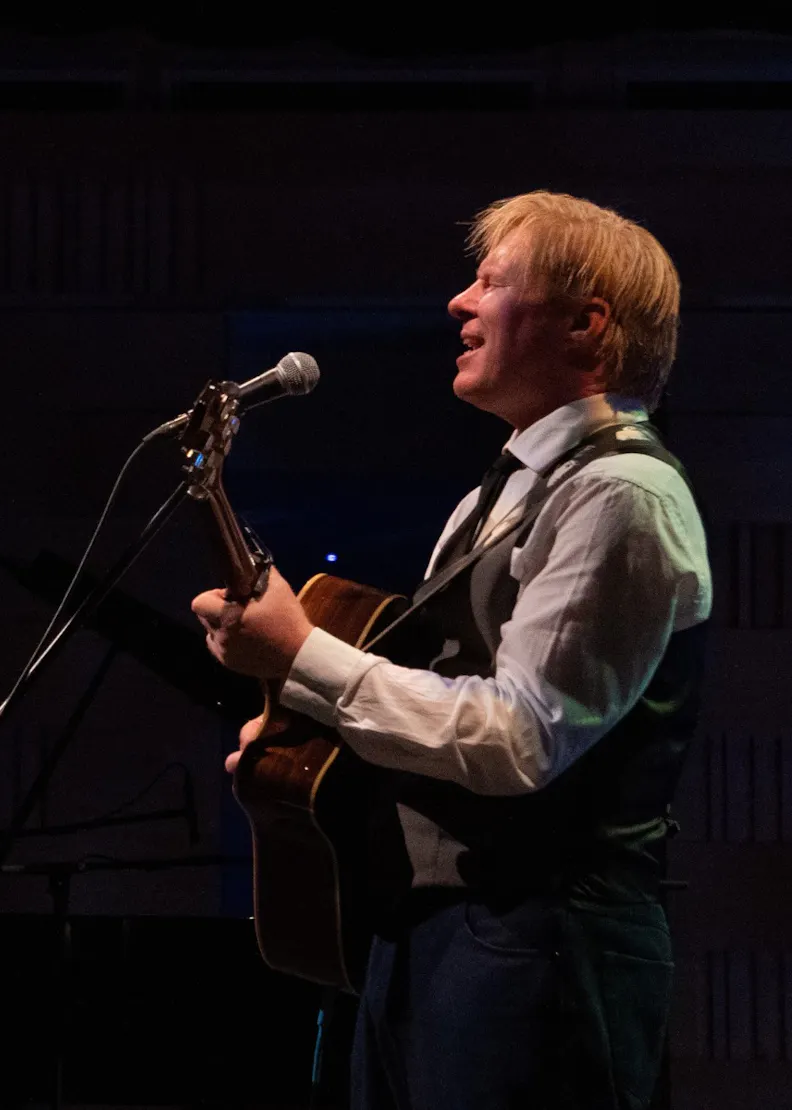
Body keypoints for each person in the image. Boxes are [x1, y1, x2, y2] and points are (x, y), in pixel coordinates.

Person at [193, 192, 711, 1109]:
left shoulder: (621, 492)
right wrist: (308, 733)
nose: (458, 303)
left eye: (490, 282)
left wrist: (305, 656)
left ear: (586, 325)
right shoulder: (492, 499)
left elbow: (520, 739)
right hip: (439, 931)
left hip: (543, 942)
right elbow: (447, 708)